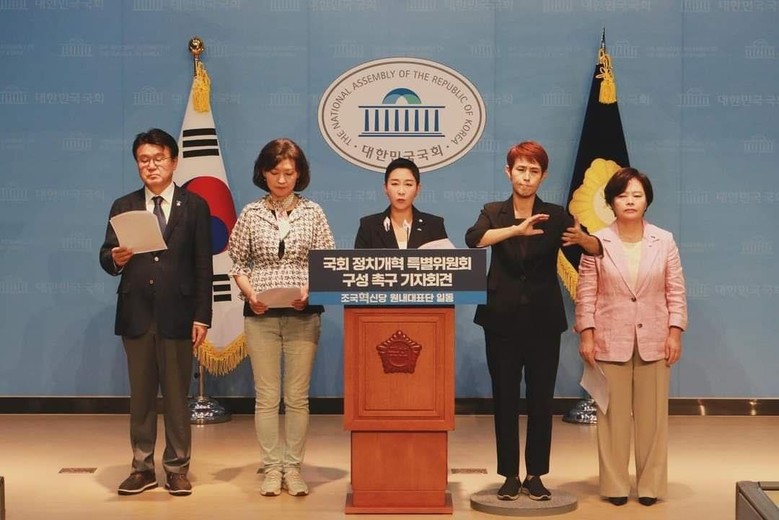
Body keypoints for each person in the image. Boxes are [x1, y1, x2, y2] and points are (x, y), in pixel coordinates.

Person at [464, 141, 601, 501]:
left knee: (541, 400)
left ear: (543, 176)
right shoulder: (493, 211)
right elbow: (473, 240)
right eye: (520, 169)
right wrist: (515, 230)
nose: (526, 177)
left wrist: (584, 238)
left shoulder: (555, 215)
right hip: (501, 320)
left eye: (534, 171)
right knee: (505, 398)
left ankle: (536, 474)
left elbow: (593, 247)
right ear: (508, 172)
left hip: (543, 320)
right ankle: (509, 474)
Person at [99, 128, 213, 497]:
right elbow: (106, 256)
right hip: (136, 312)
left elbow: (203, 265)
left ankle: (177, 468)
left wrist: (202, 315)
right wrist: (115, 258)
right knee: (142, 396)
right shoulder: (124, 205)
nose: (151, 166)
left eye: (158, 158)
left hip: (178, 312)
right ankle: (142, 467)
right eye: (143, 160)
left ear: (174, 161)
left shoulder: (195, 205)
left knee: (177, 397)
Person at [228, 138, 335, 497]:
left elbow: (326, 260)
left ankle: (294, 467)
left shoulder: (313, 212)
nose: (282, 179)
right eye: (275, 172)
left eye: (289, 172)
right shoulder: (251, 212)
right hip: (261, 314)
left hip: (303, 312)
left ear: (299, 174)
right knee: (267, 396)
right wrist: (250, 295)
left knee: (298, 396)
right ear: (263, 173)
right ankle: (272, 468)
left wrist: (309, 291)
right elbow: (237, 262)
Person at [574, 167, 687, 507]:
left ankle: (650, 485)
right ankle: (615, 485)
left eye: (637, 195)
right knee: (612, 418)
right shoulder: (597, 241)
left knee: (653, 419)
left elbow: (675, 290)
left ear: (647, 201)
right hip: (610, 339)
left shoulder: (663, 240)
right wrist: (587, 335)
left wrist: (675, 332)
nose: (630, 201)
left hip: (655, 338)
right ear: (611, 201)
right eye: (622, 195)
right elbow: (586, 294)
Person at [354, 157, 448, 248]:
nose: (401, 191)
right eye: (395, 184)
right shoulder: (368, 226)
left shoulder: (434, 226)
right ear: (385, 188)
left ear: (417, 189)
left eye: (408, 184)